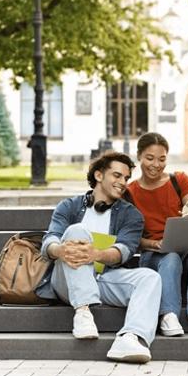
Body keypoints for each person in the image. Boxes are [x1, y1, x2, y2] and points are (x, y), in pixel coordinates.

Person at [36, 151, 162, 364]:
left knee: (150, 277)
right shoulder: (70, 206)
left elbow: (123, 251)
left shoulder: (131, 215)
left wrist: (96, 254)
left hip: (103, 278)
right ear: (98, 175)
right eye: (117, 175)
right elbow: (49, 242)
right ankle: (83, 312)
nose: (122, 182)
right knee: (77, 231)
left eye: (126, 178)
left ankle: (131, 338)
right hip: (66, 280)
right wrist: (61, 250)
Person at [127, 132, 188, 337]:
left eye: (162, 159)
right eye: (150, 158)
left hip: (185, 249)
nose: (156, 165)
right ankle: (168, 315)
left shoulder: (180, 180)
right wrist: (153, 244)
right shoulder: (130, 192)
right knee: (170, 258)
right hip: (154, 254)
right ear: (139, 156)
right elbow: (131, 239)